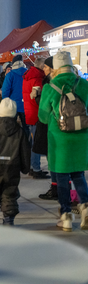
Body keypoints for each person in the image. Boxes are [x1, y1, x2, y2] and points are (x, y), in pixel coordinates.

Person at [38, 51, 88, 232]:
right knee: (79, 175)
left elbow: (42, 117)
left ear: (56, 68)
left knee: (61, 177)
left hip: (59, 140)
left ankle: (66, 216)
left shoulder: (50, 87)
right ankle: (86, 208)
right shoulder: (83, 84)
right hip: (81, 137)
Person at [0, 98, 30, 226]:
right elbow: (25, 151)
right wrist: (25, 168)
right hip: (12, 165)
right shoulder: (19, 131)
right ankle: (8, 219)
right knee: (10, 191)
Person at [22, 57, 50, 179]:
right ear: (42, 66)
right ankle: (36, 168)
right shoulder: (38, 78)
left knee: (34, 140)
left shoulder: (28, 76)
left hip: (30, 112)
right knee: (36, 142)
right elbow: (40, 98)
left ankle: (34, 167)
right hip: (37, 113)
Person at [36, 56, 58, 200]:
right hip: (76, 130)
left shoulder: (50, 85)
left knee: (55, 161)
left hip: (53, 128)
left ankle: (57, 191)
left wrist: (37, 96)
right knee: (75, 171)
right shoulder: (78, 83)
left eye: (45, 66)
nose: (43, 69)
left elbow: (44, 113)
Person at [2, 54, 29, 136]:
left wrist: (5, 102)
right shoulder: (28, 73)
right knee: (26, 128)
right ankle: (26, 146)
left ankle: (13, 146)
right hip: (26, 104)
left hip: (13, 105)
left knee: (11, 127)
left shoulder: (10, 74)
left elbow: (5, 90)